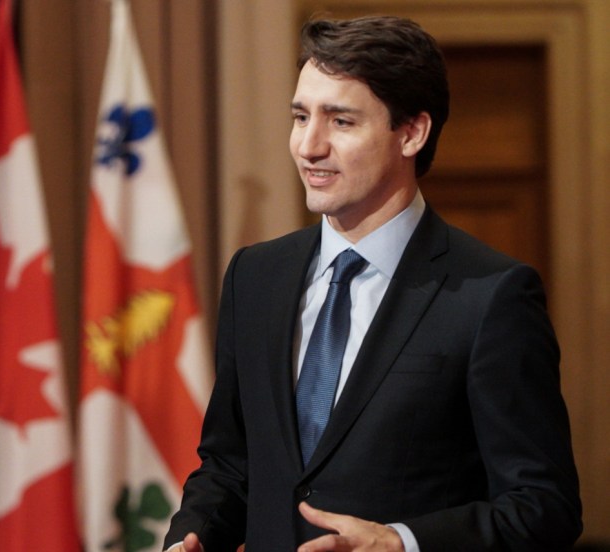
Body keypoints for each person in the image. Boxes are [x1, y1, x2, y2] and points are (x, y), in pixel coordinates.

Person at [165, 15, 582, 552]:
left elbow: (544, 507)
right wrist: (192, 535)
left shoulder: (490, 295)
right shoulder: (255, 277)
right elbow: (229, 464)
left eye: (340, 121)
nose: (309, 147)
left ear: (411, 132)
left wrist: (402, 543)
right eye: (300, 116)